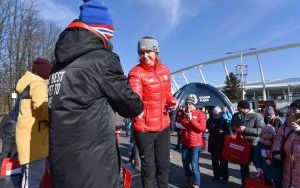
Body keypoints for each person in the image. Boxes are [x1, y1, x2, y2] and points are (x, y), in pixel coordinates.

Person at [48, 1, 144, 187]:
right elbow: (129, 104)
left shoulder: (57, 66)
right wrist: (139, 107)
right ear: (101, 33)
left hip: (61, 163)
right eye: (109, 37)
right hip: (94, 165)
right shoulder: (103, 60)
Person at [128, 36, 177, 188]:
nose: (144, 55)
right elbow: (135, 99)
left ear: (156, 52)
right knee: (149, 169)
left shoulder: (164, 70)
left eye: (148, 51)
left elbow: (167, 92)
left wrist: (171, 101)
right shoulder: (136, 72)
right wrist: (137, 111)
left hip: (163, 125)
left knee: (163, 165)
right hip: (144, 128)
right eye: (141, 52)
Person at [15, 57, 52, 188]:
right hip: (34, 141)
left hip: (27, 138)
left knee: (28, 176)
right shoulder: (38, 84)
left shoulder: (28, 83)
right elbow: (43, 109)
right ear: (45, 74)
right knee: (34, 178)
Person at [231, 100, 265, 187]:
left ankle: (262, 184)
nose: (237, 109)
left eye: (238, 107)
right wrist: (236, 128)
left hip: (254, 145)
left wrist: (245, 129)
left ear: (243, 108)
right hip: (244, 145)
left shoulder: (257, 116)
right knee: (243, 166)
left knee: (258, 166)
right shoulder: (242, 116)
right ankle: (245, 184)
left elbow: (261, 131)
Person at [176, 94, 207, 188]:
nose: (188, 106)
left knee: (194, 165)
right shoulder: (183, 114)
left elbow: (202, 128)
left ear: (194, 105)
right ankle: (189, 177)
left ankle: (196, 183)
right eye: (187, 104)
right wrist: (181, 117)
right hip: (185, 142)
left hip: (195, 144)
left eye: (190, 104)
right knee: (185, 163)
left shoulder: (200, 114)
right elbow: (179, 122)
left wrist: (191, 120)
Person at [272, 99, 300, 188]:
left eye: (294, 110)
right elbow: (279, 137)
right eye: (290, 109)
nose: (291, 112)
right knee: (287, 181)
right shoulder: (287, 123)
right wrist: (276, 151)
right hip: (287, 161)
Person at [206, 106, 230, 184]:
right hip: (213, 143)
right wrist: (215, 129)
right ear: (214, 113)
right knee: (215, 162)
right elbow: (207, 128)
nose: (218, 115)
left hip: (222, 143)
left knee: (223, 162)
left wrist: (223, 131)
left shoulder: (224, 120)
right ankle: (216, 176)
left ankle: (224, 178)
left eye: (219, 113)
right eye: (216, 114)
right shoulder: (210, 120)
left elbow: (228, 131)